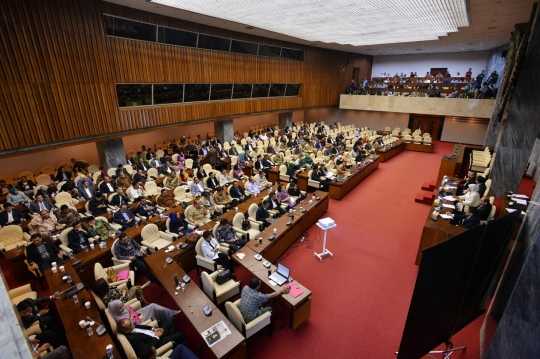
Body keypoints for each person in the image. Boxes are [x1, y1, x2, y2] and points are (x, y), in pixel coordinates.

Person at [116, 318, 185, 359]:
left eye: (130, 322)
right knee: (181, 334)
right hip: (157, 342)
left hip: (155, 333)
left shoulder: (132, 327)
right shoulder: (133, 339)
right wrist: (156, 336)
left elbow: (143, 327)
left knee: (170, 321)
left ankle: (172, 338)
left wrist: (154, 329)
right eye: (130, 324)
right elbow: (147, 348)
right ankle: (174, 343)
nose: (132, 324)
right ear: (126, 331)